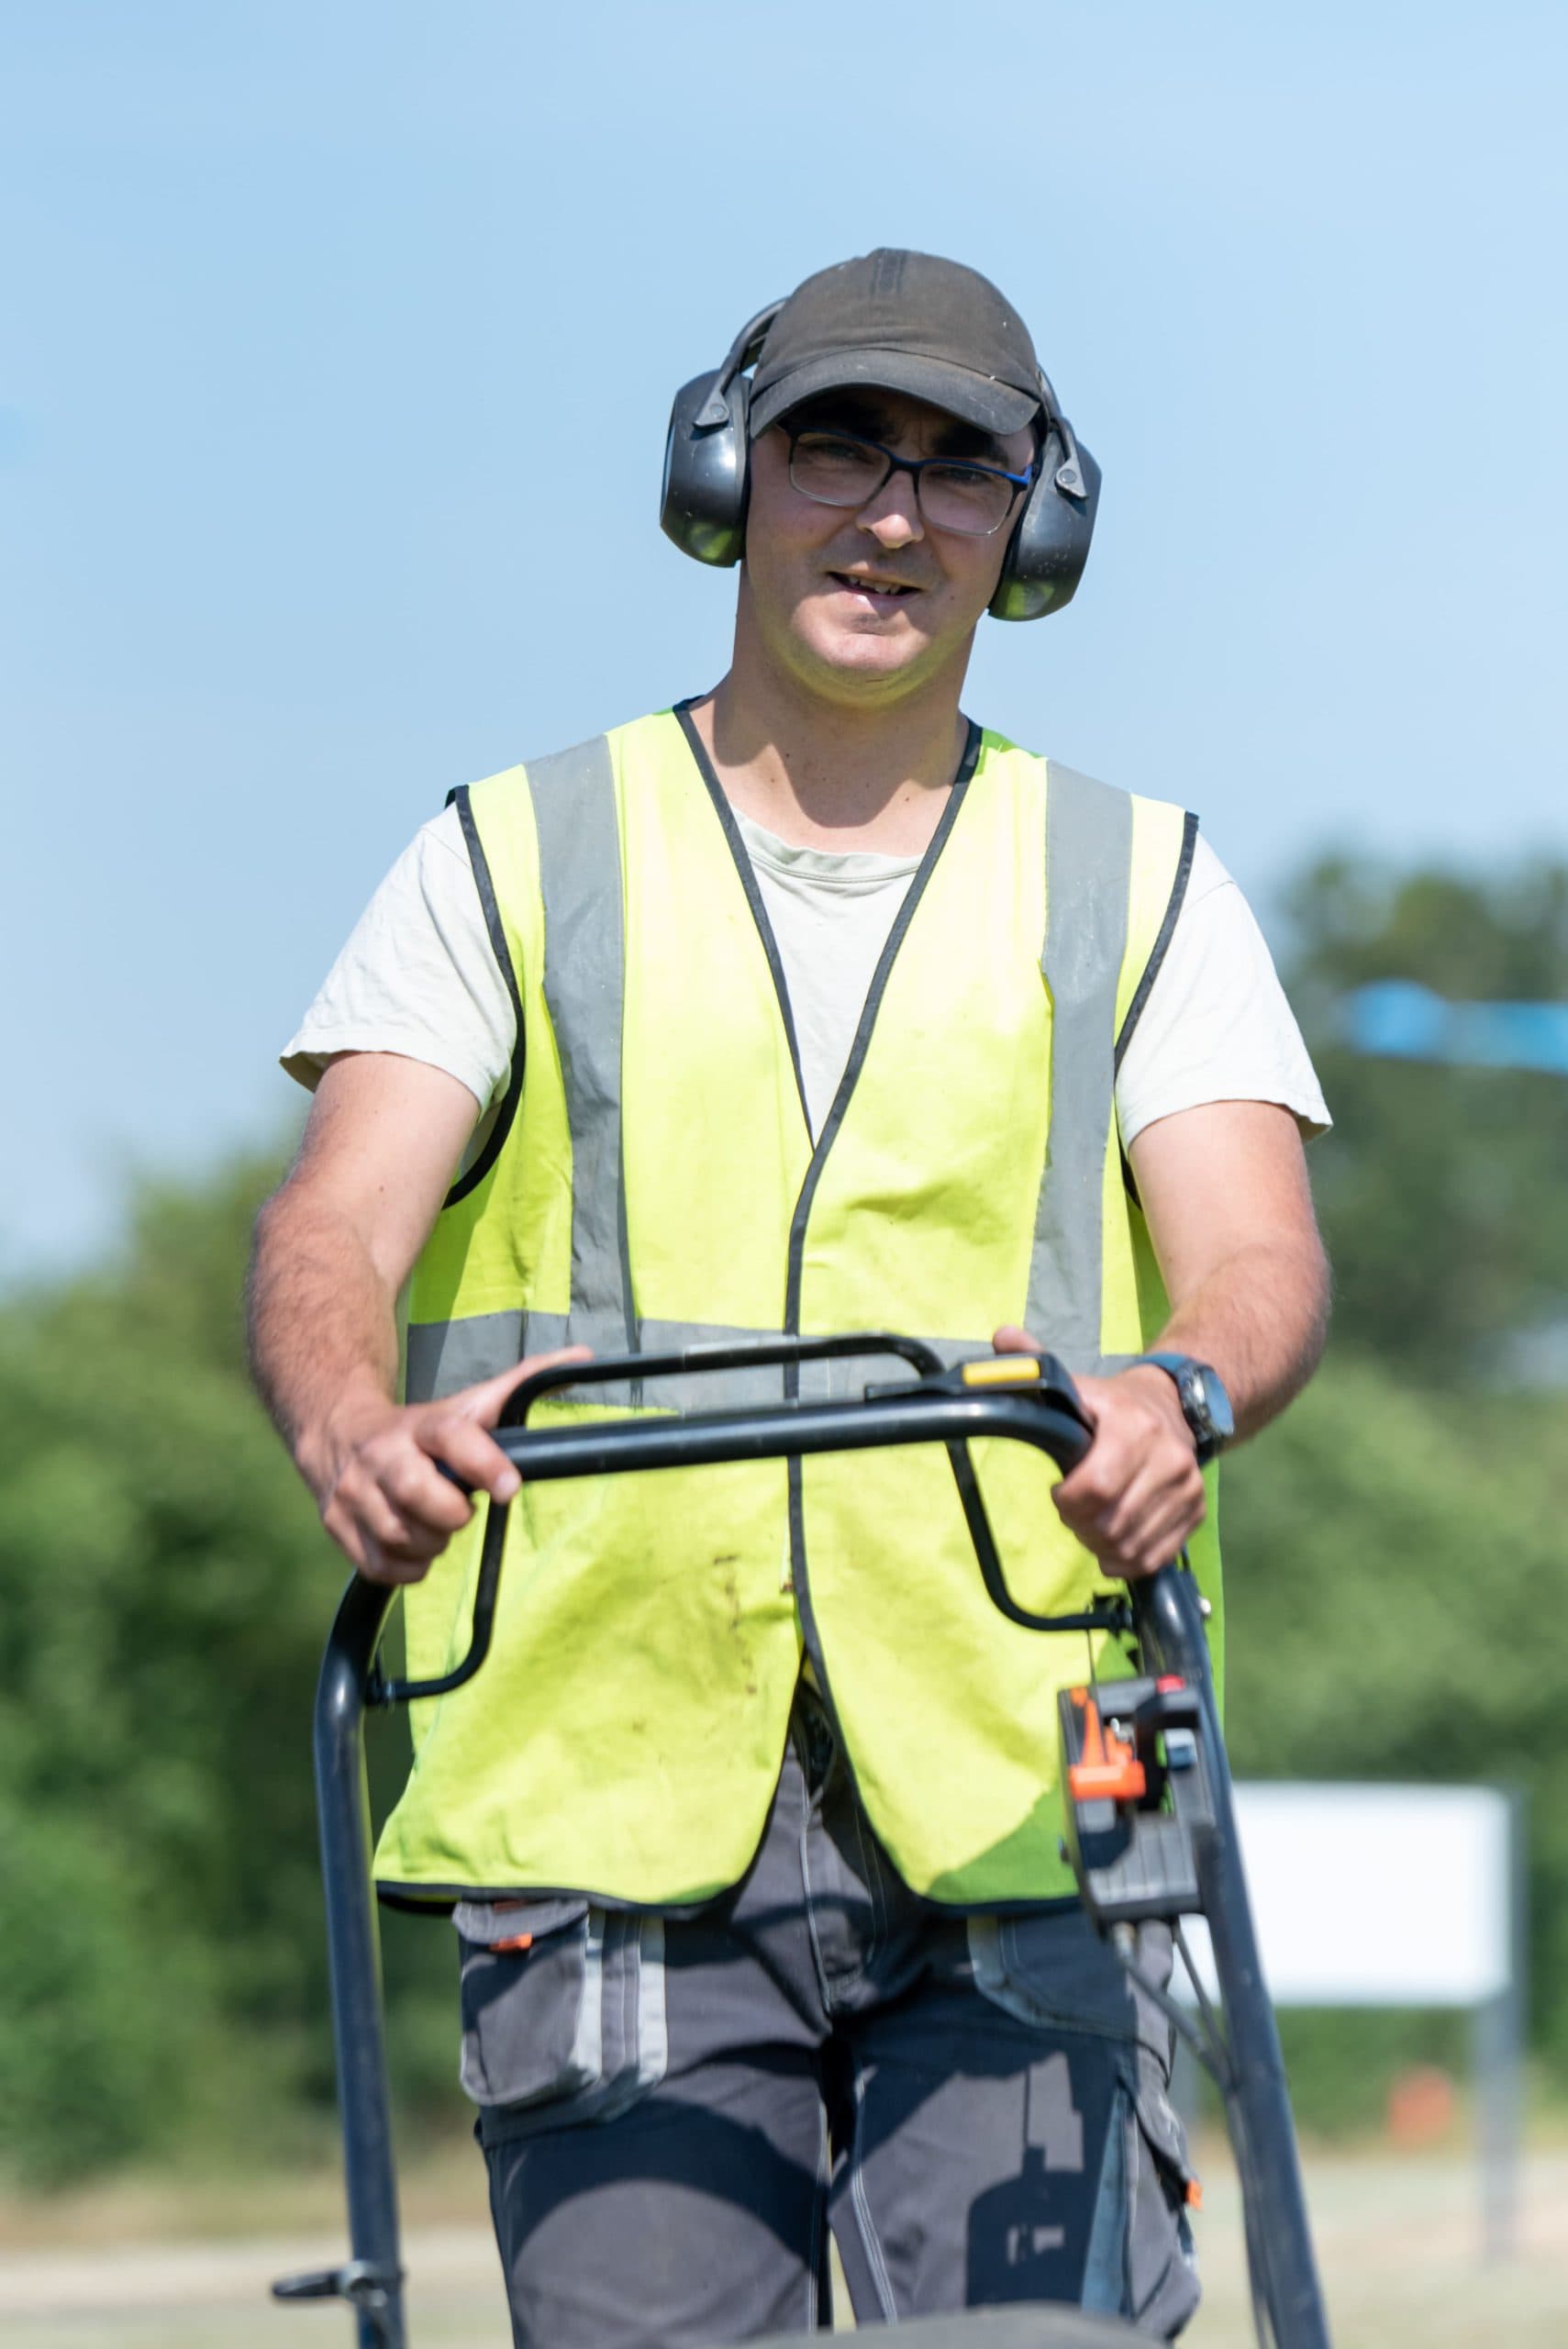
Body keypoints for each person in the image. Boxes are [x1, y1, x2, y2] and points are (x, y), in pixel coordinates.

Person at [249, 249, 1330, 2345]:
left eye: (964, 465)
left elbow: (1256, 1255)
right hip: (609, 1794)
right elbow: (331, 1225)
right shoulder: (508, 850)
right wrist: (348, 1420)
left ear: (1041, 518)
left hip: (1025, 1779)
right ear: (732, 469)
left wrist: (1178, 1386)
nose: (896, 513)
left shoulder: (1143, 876)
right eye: (843, 441)